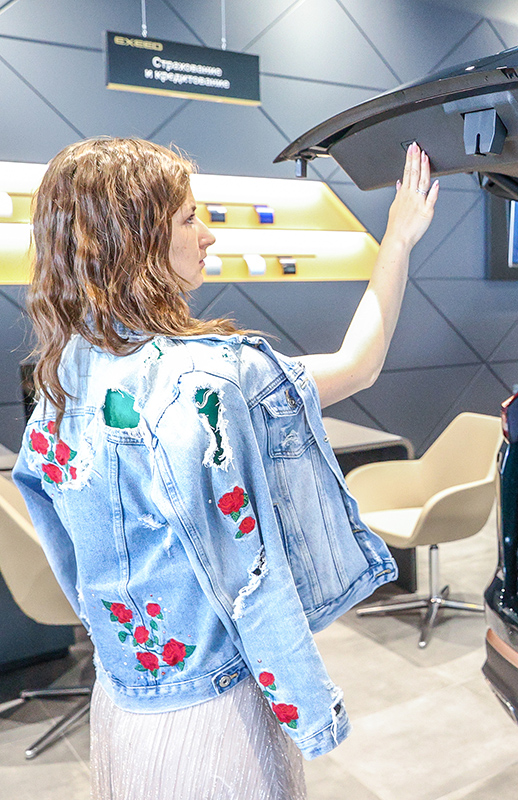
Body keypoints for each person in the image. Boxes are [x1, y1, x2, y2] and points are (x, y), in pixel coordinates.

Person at [11, 137, 439, 799]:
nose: (208, 236)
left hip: (122, 700)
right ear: (134, 241)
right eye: (189, 219)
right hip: (217, 719)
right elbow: (360, 364)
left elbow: (65, 552)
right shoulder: (213, 380)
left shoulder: (61, 379)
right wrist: (399, 241)